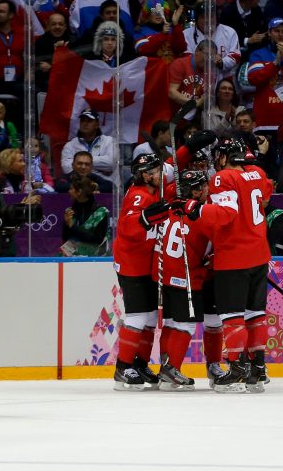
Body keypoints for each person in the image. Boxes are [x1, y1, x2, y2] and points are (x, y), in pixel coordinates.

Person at [171, 138, 273, 393]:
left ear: (226, 157)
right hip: (260, 254)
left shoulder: (222, 178)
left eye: (220, 156)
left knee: (232, 315)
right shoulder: (257, 173)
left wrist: (195, 208)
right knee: (254, 313)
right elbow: (266, 193)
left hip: (233, 257)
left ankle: (237, 369)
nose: (217, 160)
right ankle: (257, 369)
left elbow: (226, 214)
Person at [111, 153, 168, 390]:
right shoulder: (138, 195)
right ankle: (123, 368)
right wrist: (146, 218)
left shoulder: (153, 190)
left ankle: (140, 363)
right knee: (137, 316)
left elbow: (173, 165)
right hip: (131, 263)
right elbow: (128, 229)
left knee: (152, 317)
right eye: (155, 171)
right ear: (145, 175)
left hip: (147, 263)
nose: (161, 175)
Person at [156, 169, 215, 391]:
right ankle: (171, 369)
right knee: (186, 325)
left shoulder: (171, 206)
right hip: (186, 277)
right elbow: (208, 251)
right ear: (198, 190)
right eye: (203, 186)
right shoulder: (200, 214)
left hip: (167, 276)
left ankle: (165, 370)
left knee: (170, 324)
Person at [60, 109, 119, 187]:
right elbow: (66, 168)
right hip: (80, 187)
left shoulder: (109, 141)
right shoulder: (70, 145)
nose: (85, 124)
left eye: (89, 121)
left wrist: (79, 164)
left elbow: (111, 163)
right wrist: (99, 168)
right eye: (83, 121)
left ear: (97, 124)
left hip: (106, 188)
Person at [61, 175, 110, 256]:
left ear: (79, 191)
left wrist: (72, 227)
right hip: (75, 251)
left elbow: (97, 240)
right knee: (61, 256)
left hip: (97, 255)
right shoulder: (70, 211)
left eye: (71, 189)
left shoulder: (101, 212)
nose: (69, 191)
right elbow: (65, 239)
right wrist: (66, 225)